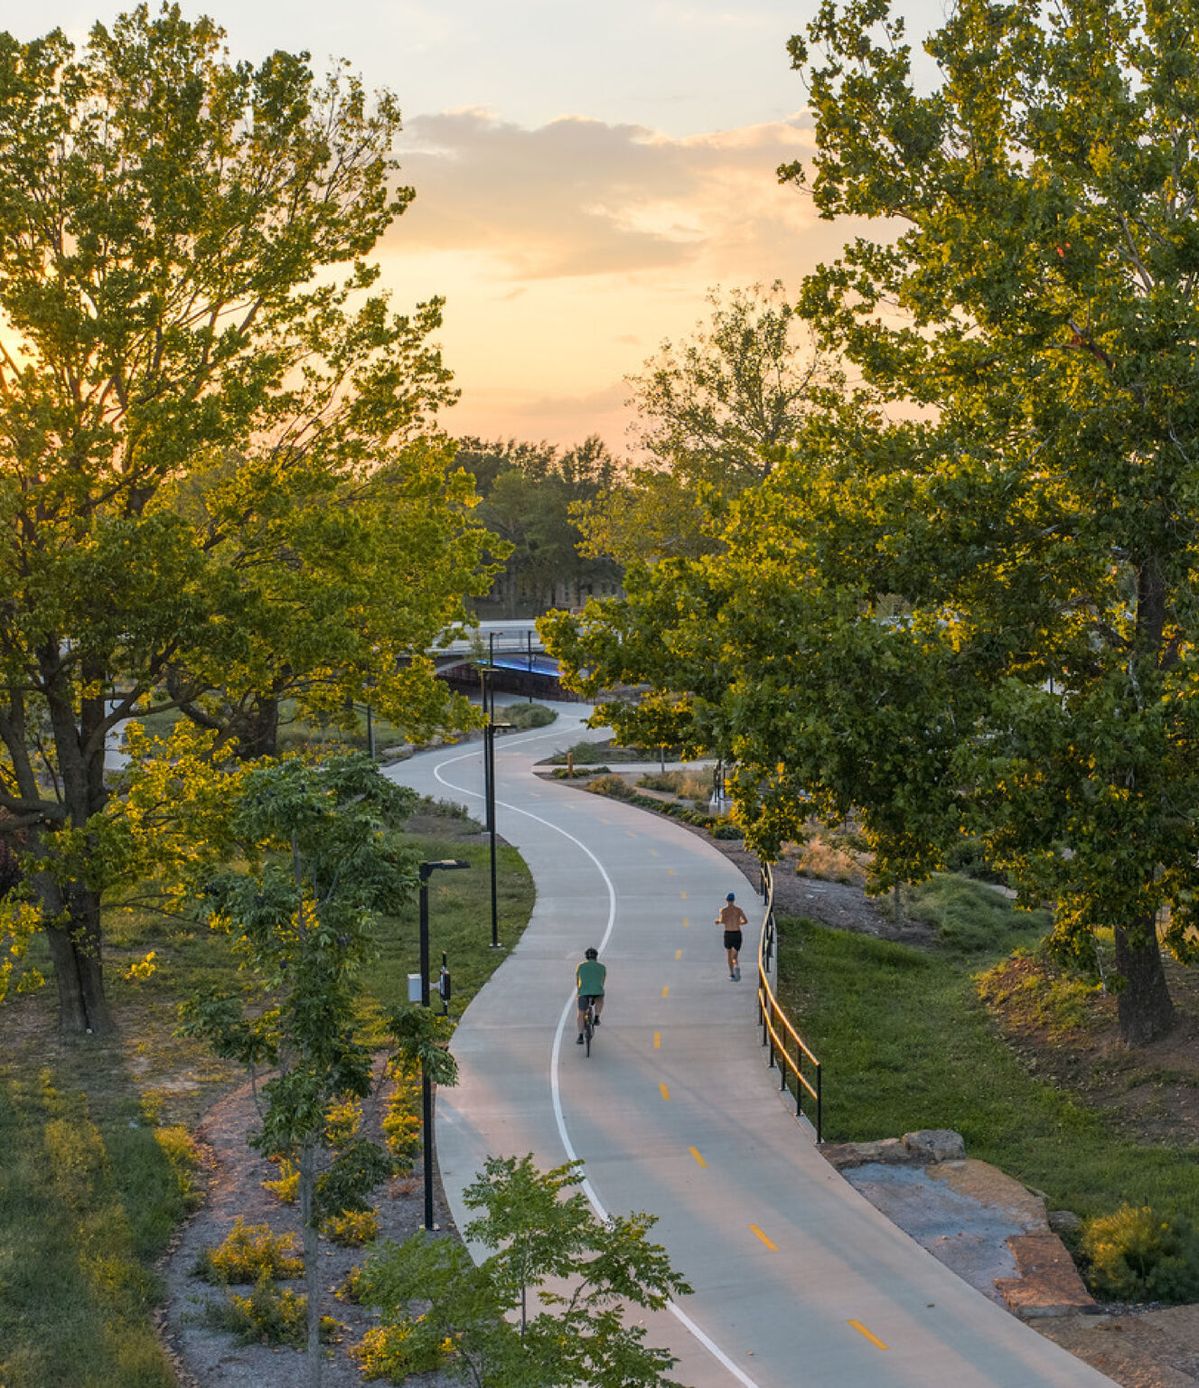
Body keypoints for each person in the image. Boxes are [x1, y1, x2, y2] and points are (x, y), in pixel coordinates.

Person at [576, 946, 606, 1043]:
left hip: (583, 993)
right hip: (597, 992)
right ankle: (597, 1017)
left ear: (586, 957)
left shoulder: (580, 966)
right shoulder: (602, 967)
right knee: (600, 999)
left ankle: (580, 1036)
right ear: (596, 957)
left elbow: (577, 981)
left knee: (580, 1013)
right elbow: (602, 981)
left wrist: (579, 991)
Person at [716, 892, 748, 980]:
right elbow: (745, 921)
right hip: (737, 933)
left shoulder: (723, 910)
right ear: (734, 900)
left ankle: (731, 973)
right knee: (734, 954)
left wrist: (717, 921)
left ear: (726, 900)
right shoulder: (738, 910)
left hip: (728, 933)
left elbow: (722, 921)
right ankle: (735, 966)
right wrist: (738, 923)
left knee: (729, 954)